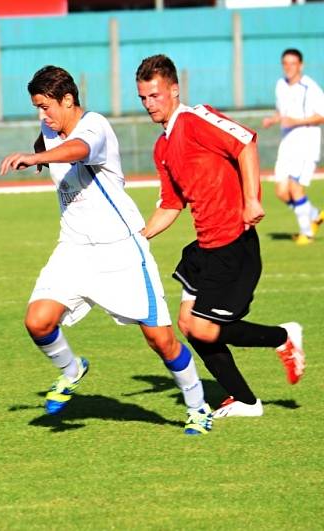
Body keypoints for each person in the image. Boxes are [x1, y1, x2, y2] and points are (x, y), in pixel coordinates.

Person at [0, 65, 213, 435]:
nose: (42, 115)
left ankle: (198, 406)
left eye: (45, 106)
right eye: (37, 108)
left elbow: (77, 150)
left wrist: (36, 159)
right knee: (37, 321)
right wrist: (38, 149)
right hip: (74, 249)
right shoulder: (50, 130)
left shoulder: (95, 126)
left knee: (159, 340)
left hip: (120, 251)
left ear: (68, 100)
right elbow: (48, 141)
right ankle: (72, 370)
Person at [135, 54, 305, 418]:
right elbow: (170, 204)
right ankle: (245, 401)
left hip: (234, 243)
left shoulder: (195, 120)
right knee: (187, 325)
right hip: (204, 247)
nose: (150, 104)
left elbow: (245, 141)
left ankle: (283, 337)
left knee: (206, 330)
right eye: (144, 98)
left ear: (174, 90)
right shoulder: (162, 148)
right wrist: (139, 236)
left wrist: (252, 199)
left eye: (155, 95)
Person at [261, 48, 324, 246]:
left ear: (301, 65)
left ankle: (307, 233)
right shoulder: (280, 85)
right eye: (285, 63)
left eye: (293, 63)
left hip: (306, 142)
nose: (288, 67)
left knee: (295, 187)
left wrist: (295, 121)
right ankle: (314, 214)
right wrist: (273, 119)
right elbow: (283, 112)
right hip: (287, 143)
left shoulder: (310, 88)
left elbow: (321, 115)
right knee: (281, 191)